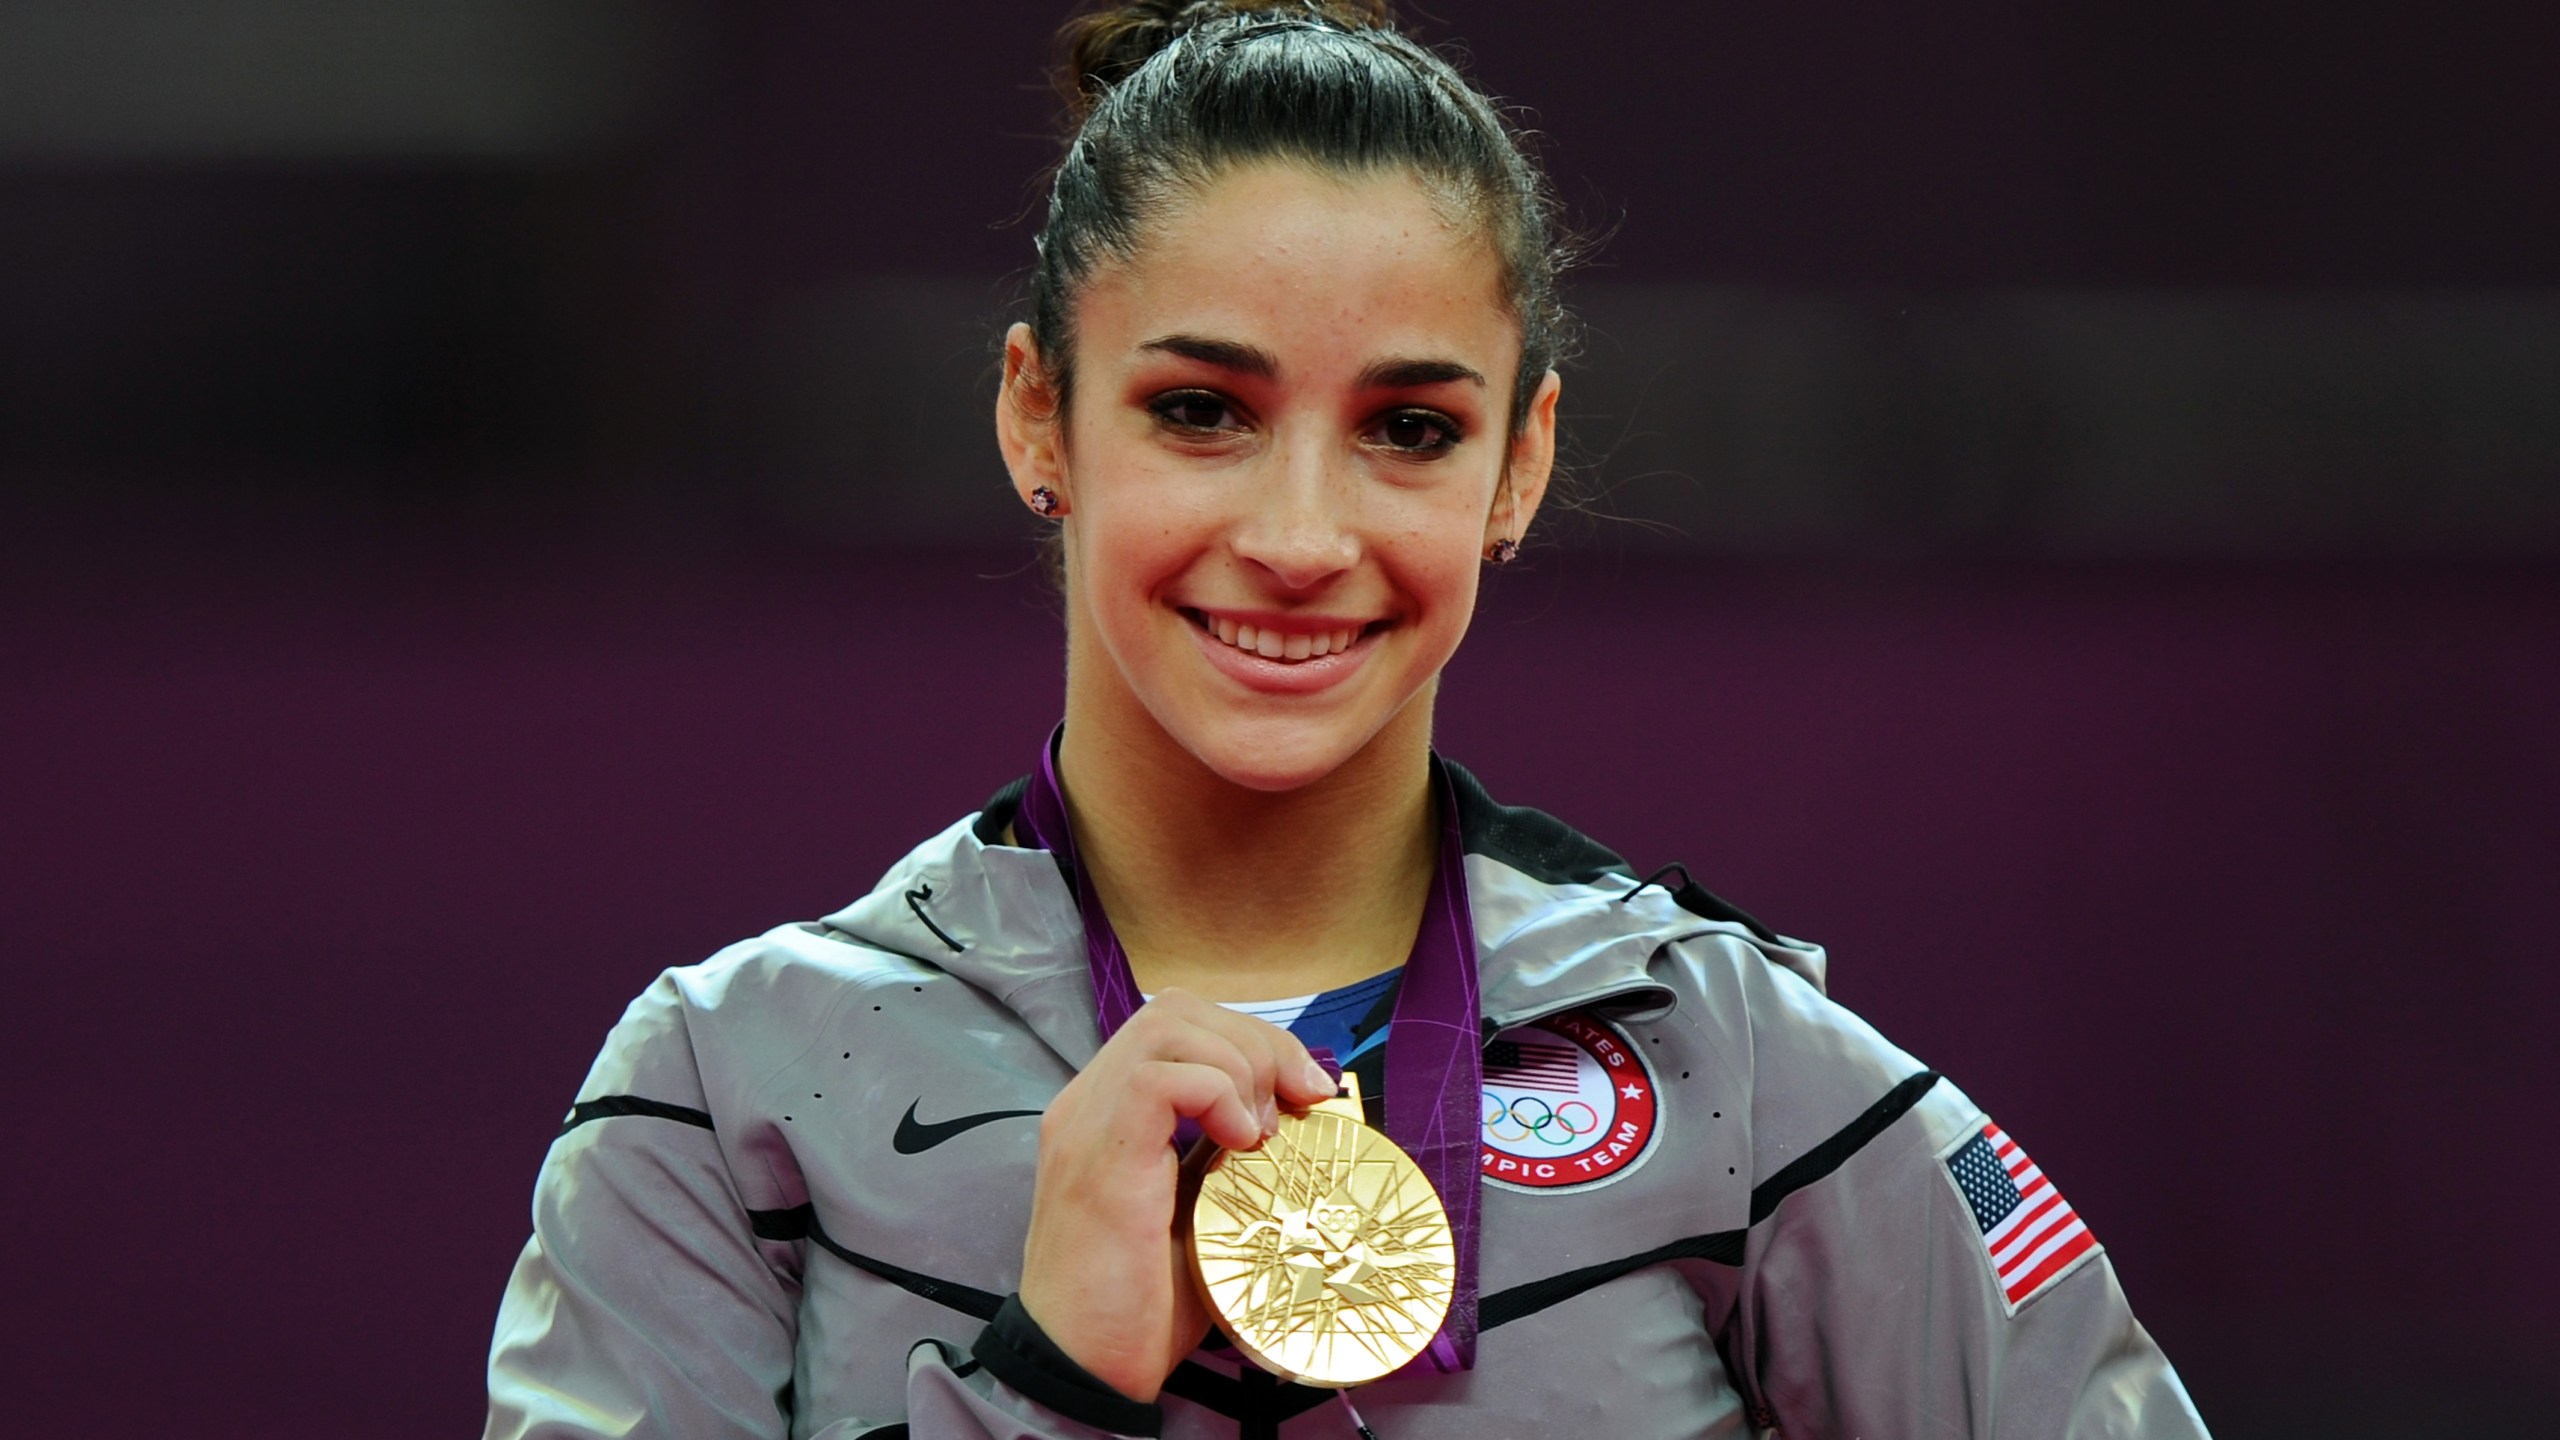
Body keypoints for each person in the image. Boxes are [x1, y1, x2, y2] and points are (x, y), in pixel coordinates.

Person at [484, 4, 2210, 1436]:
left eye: (1409, 431)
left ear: (1519, 464)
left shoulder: (1737, 1070)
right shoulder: (728, 1092)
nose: (1303, 540)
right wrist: (1049, 1379)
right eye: (1200, 409)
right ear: (1037, 418)